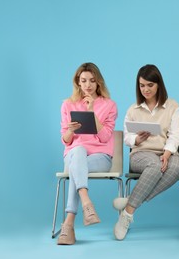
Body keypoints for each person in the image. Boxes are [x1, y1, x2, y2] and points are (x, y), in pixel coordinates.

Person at [113, 64, 179, 240]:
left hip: (166, 152)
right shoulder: (133, 110)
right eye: (142, 85)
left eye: (150, 85)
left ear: (159, 84)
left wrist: (167, 154)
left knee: (178, 167)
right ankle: (128, 214)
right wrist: (137, 140)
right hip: (140, 155)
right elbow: (127, 137)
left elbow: (176, 135)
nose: (146, 89)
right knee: (153, 165)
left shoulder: (172, 106)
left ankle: (131, 201)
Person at [58, 62, 118, 245]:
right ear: (78, 82)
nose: (88, 85)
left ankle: (68, 225)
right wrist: (70, 130)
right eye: (83, 81)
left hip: (101, 157)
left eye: (92, 80)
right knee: (78, 151)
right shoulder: (68, 105)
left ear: (98, 82)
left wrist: (91, 111)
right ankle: (86, 202)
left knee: (78, 169)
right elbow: (66, 140)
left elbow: (106, 136)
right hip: (74, 155)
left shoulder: (109, 105)